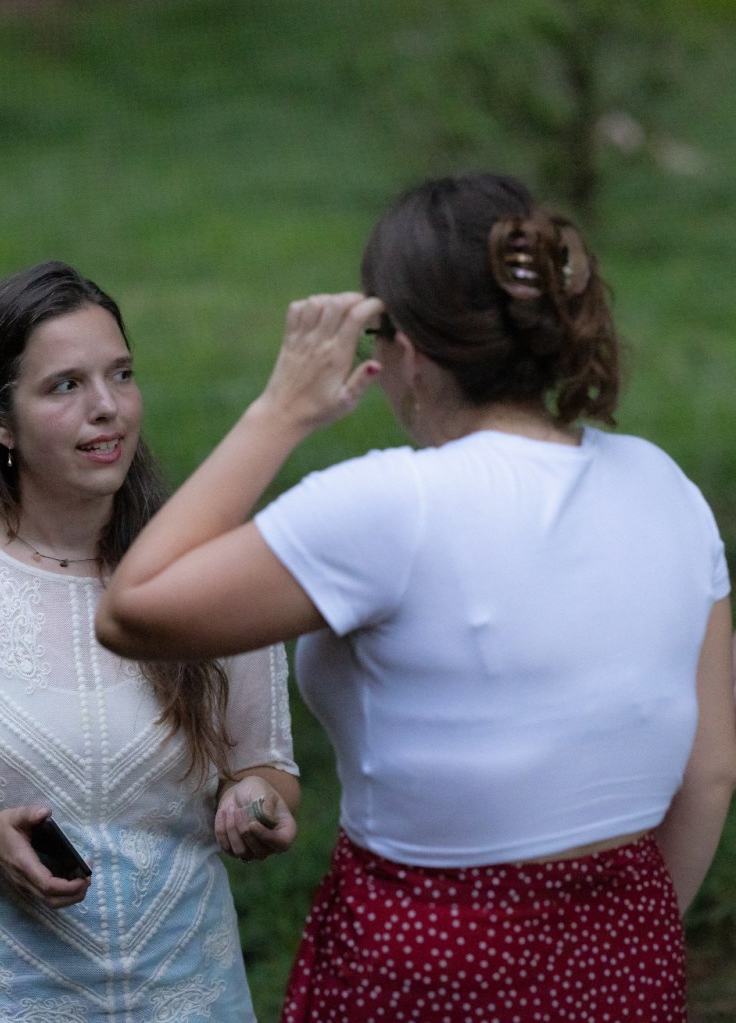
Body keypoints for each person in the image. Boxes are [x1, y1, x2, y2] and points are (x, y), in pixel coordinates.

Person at [94, 173, 736, 1023]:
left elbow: (133, 607)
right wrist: (625, 939)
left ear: (408, 347)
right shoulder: (665, 487)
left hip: (423, 961)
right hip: (628, 958)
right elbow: (711, 769)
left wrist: (280, 411)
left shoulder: (390, 506)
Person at [0, 260, 299, 1023]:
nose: (107, 408)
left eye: (121, 374)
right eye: (65, 386)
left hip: (181, 993)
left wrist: (258, 800)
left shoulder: (207, 568)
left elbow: (268, 763)